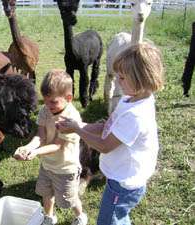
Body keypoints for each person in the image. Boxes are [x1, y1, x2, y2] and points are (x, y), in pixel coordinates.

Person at [56, 43, 164, 225]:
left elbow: (105, 146)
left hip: (124, 183)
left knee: (109, 221)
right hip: (119, 177)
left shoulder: (136, 115)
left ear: (141, 79)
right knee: (117, 218)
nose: (117, 80)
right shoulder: (130, 98)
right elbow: (108, 126)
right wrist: (80, 124)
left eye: (122, 77)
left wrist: (78, 130)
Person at [14, 69, 88, 225]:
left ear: (68, 98)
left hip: (66, 169)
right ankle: (49, 217)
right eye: (45, 101)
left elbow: (57, 145)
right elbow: (40, 136)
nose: (48, 105)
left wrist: (35, 152)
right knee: (46, 194)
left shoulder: (71, 118)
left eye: (53, 102)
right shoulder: (45, 110)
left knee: (69, 199)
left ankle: (80, 216)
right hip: (47, 166)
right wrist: (28, 147)